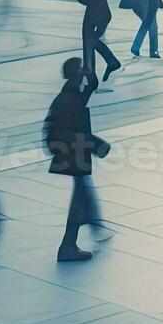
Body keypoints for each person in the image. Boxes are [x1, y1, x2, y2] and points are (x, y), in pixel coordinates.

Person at [46, 57, 110, 261]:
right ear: (75, 74)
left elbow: (92, 85)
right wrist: (97, 145)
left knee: (82, 191)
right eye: (80, 69)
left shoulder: (72, 93)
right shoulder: (69, 99)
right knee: (79, 198)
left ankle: (90, 226)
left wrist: (89, 66)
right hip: (71, 153)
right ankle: (68, 245)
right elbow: (71, 132)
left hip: (73, 152)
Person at [76, 0, 121, 80]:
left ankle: (95, 67)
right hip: (103, 13)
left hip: (94, 12)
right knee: (90, 40)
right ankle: (91, 68)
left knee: (88, 40)